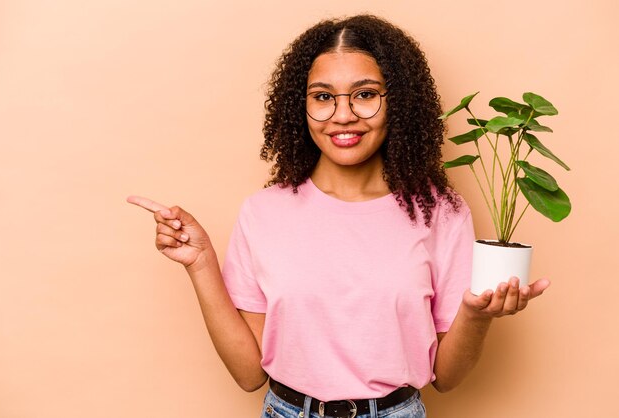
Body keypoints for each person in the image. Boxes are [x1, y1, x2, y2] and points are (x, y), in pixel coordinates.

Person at [128, 14, 550, 418]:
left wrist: (477, 317)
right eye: (323, 97)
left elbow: (447, 379)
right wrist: (201, 264)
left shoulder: (442, 213)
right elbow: (248, 374)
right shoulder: (263, 212)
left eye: (365, 94)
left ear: (398, 102)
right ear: (302, 106)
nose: (343, 115)